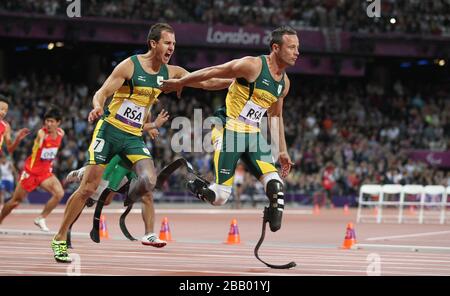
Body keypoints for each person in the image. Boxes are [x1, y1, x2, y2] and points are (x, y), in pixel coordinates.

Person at [51, 23, 232, 263]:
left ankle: (122, 189)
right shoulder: (130, 66)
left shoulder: (170, 72)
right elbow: (102, 92)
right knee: (86, 189)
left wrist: (235, 82)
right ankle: (60, 238)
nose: (172, 48)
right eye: (167, 43)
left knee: (149, 180)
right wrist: (97, 106)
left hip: (133, 137)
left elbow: (205, 82)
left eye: (174, 44)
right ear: (153, 43)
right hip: (110, 131)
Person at [161, 26, 298, 233]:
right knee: (221, 197)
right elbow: (213, 71)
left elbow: (275, 116)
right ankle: (196, 185)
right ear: (276, 48)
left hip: (252, 134)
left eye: (298, 47)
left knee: (276, 186)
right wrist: (182, 81)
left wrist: (282, 151)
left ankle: (271, 211)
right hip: (229, 127)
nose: (297, 52)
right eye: (292, 47)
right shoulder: (252, 65)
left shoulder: (284, 83)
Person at [65, 110, 170, 247]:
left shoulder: (148, 106)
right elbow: (129, 126)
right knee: (94, 194)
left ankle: (149, 234)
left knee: (147, 192)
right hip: (119, 152)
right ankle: (66, 230)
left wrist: (150, 128)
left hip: (134, 153)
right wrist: (154, 124)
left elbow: (140, 127)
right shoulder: (129, 98)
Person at [0, 107, 65, 231]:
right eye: (47, 121)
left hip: (45, 173)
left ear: (58, 123)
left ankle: (41, 218)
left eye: (52, 121)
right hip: (30, 173)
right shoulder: (42, 133)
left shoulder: (61, 133)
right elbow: (40, 137)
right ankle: (0, 219)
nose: (48, 124)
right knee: (15, 201)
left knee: (59, 193)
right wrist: (40, 141)